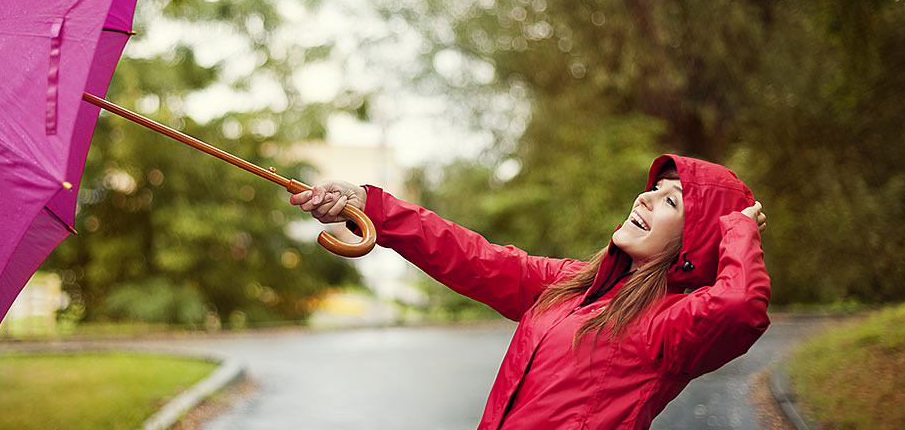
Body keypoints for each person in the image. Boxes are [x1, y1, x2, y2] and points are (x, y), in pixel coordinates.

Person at [290, 154, 770, 429]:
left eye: (671, 200)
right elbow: (472, 257)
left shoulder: (673, 325)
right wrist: (372, 205)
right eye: (654, 188)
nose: (645, 197)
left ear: (698, 240)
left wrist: (737, 230)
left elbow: (738, 306)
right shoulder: (573, 283)